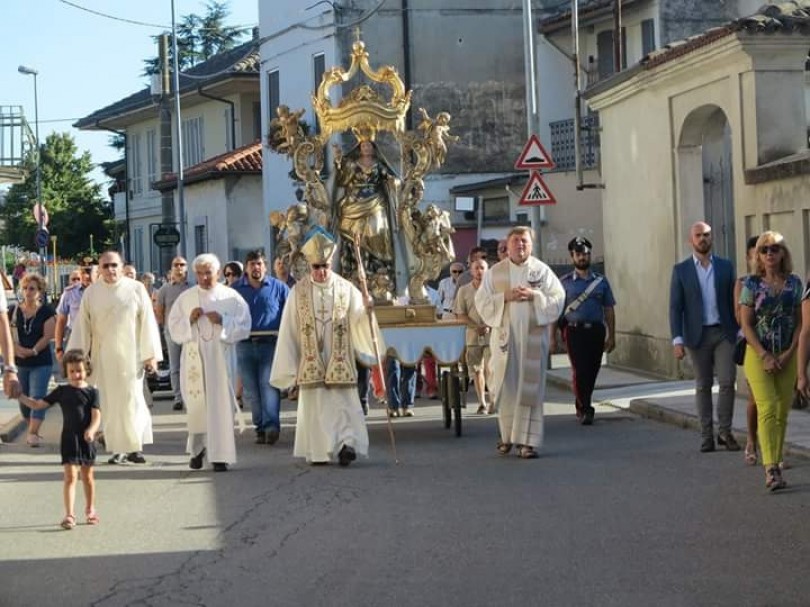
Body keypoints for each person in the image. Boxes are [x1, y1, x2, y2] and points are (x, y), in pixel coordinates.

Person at [270, 228, 376, 466]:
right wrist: (290, 361)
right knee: (317, 406)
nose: (321, 272)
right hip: (312, 360)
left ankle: (346, 445)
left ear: (331, 264)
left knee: (343, 404)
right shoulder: (298, 291)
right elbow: (289, 328)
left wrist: (368, 309)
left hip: (340, 358)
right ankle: (320, 451)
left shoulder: (346, 288)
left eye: (325, 266)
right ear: (310, 266)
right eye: (316, 267)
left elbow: (358, 318)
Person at [475, 226, 565, 459]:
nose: (520, 245)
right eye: (516, 241)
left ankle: (527, 443)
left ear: (531, 244)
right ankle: (507, 436)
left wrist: (535, 296)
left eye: (524, 241)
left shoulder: (541, 271)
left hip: (532, 340)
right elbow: (481, 301)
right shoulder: (496, 272)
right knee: (506, 387)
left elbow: (558, 298)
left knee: (530, 389)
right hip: (505, 341)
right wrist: (505, 296)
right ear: (508, 244)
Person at [68, 250, 162, 464]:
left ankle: (134, 447)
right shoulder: (91, 293)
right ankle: (116, 448)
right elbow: (83, 327)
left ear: (121, 266)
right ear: (99, 269)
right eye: (105, 266)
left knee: (133, 400)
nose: (110, 269)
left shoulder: (136, 289)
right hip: (104, 357)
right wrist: (78, 358)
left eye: (114, 265)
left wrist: (151, 356)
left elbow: (148, 323)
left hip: (132, 357)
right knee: (108, 403)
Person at [168, 254, 251, 472]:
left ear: (218, 272)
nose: (205, 278)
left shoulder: (231, 297)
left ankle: (220, 456)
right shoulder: (186, 298)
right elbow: (173, 327)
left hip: (221, 357)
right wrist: (189, 321)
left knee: (220, 406)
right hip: (194, 357)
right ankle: (197, 450)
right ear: (195, 274)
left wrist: (224, 321)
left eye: (209, 273)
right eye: (201, 273)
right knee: (197, 405)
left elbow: (245, 325)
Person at [669, 221, 739, 453]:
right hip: (696, 336)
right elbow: (675, 307)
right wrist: (677, 339)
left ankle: (725, 432)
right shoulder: (681, 270)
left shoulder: (726, 267)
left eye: (707, 235)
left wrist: (739, 329)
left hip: (724, 333)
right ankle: (706, 435)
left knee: (728, 382)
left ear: (712, 238)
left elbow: (735, 300)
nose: (703, 239)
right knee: (703, 385)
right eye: (698, 235)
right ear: (691, 240)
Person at [739, 232, 800, 491]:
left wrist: (788, 354)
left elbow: (801, 322)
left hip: (788, 353)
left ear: (783, 253)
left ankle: (776, 458)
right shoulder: (751, 285)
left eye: (775, 249)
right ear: (758, 256)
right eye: (764, 250)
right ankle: (770, 467)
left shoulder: (794, 283)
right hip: (757, 354)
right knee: (767, 407)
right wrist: (764, 354)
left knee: (782, 411)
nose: (770, 254)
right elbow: (746, 323)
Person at [18, 349, 101, 529]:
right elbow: (38, 404)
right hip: (69, 439)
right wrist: (20, 396)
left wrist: (92, 430)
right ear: (66, 371)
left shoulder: (92, 392)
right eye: (71, 371)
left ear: (86, 370)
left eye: (79, 370)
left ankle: (90, 509)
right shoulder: (62, 391)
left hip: (87, 440)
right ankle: (70, 515)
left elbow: (96, 416)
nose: (75, 374)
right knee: (70, 477)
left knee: (87, 477)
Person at [557, 237, 616, 425]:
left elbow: (609, 309)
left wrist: (612, 335)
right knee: (579, 370)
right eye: (579, 254)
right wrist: (552, 336)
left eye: (586, 254)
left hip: (596, 331)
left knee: (592, 369)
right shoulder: (564, 283)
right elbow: (555, 311)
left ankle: (582, 400)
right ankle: (586, 408)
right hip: (574, 331)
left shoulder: (601, 281)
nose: (583, 257)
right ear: (572, 256)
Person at [233, 250, 289, 445]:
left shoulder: (278, 288)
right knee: (252, 391)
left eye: (259, 264)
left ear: (265, 266)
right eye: (251, 264)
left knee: (269, 385)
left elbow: (289, 314)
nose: (256, 267)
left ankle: (271, 425)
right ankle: (260, 426)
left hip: (270, 343)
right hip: (245, 344)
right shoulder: (235, 290)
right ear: (246, 268)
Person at [333, 137, 397, 278]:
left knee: (377, 231)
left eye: (369, 145)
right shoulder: (352, 164)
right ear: (359, 148)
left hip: (375, 201)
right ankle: (355, 265)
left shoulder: (379, 165)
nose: (366, 148)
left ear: (373, 148)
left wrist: (395, 182)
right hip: (354, 202)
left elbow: (389, 177)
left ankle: (378, 266)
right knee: (352, 235)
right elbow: (342, 181)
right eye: (363, 146)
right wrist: (338, 162)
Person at [11, 273, 56, 446]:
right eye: (25, 288)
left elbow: (48, 336)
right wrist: (17, 350)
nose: (28, 292)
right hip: (20, 361)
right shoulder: (14, 311)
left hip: (40, 361)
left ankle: (33, 433)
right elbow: (6, 335)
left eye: (32, 289)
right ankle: (32, 428)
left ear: (40, 292)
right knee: (22, 397)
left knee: (37, 397)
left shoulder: (46, 311)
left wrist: (33, 351)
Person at [453, 257, 492, 414]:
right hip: (472, 336)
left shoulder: (494, 289)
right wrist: (476, 327)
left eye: (482, 268)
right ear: (471, 270)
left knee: (491, 368)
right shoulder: (464, 290)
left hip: (491, 336)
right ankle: (482, 401)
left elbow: (500, 311)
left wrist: (489, 325)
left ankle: (493, 400)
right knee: (476, 370)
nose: (479, 271)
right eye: (476, 268)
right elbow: (460, 314)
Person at [734, 235, 760, 465]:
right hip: (753, 347)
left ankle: (775, 448)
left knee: (777, 403)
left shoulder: (784, 281)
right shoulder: (744, 283)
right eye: (758, 253)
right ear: (749, 257)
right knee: (755, 399)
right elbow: (739, 317)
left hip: (778, 347)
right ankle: (752, 440)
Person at [156, 256, 190, 411]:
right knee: (175, 365)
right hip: (172, 332)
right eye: (176, 265)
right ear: (171, 269)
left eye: (182, 265)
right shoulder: (165, 289)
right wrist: (165, 327)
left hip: (190, 331)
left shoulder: (192, 287)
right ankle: (178, 397)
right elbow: (160, 311)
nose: (179, 267)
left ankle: (191, 395)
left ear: (187, 268)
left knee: (190, 365)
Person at [54, 261, 97, 363]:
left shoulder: (103, 291)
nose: (87, 276)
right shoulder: (70, 292)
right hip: (76, 335)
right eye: (83, 272)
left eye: (90, 271)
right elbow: (61, 321)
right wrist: (58, 348)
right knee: (77, 371)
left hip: (97, 337)